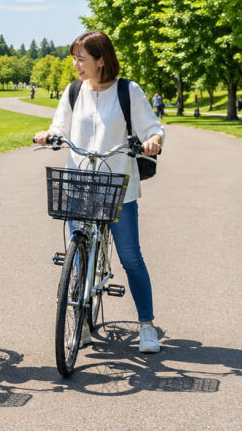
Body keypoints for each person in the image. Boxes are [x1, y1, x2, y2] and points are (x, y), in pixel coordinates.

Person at [33, 30, 165, 354]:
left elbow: (153, 128)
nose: (76, 64)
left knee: (131, 257)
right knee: (77, 259)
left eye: (82, 58)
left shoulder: (127, 91)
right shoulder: (74, 91)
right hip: (78, 183)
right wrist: (48, 135)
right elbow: (60, 127)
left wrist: (153, 142)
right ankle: (80, 320)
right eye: (74, 58)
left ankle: (147, 326)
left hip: (117, 185)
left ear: (101, 60)